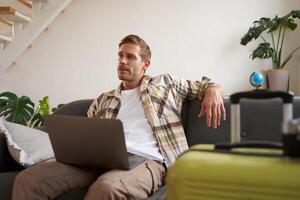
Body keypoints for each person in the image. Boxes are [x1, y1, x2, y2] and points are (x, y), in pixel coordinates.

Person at [12, 34, 226, 200]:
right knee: (29, 180)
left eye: (130, 56)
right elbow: (83, 137)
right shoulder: (104, 99)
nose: (122, 61)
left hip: (146, 159)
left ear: (145, 64)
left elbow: (203, 84)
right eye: (120, 55)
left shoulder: (165, 83)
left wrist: (214, 88)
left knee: (107, 188)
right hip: (97, 160)